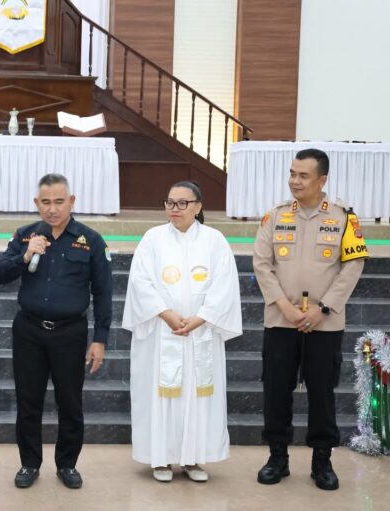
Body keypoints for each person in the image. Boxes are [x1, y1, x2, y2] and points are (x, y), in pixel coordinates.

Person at [253, 148, 367, 491]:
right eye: (292, 174)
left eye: (303, 175)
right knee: (276, 391)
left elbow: (353, 265)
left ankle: (322, 461)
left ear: (322, 180)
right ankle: (277, 457)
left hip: (324, 324)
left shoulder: (344, 218)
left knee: (322, 393)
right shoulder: (275, 216)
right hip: (281, 321)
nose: (295, 181)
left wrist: (324, 308)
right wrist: (284, 306)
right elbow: (262, 264)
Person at [0, 173, 112, 490]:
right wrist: (25, 256)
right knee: (28, 402)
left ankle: (67, 464)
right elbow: (0, 274)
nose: (52, 209)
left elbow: (103, 293)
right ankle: (29, 464)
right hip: (29, 331)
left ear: (71, 201)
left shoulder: (90, 240)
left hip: (70, 333)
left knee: (70, 403)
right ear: (37, 203)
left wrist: (100, 339)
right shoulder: (24, 236)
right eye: (45, 202)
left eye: (59, 201)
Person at [121, 181, 242, 483]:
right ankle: (160, 458)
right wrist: (166, 314)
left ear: (198, 206)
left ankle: (193, 458)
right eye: (170, 202)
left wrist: (201, 318)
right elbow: (140, 282)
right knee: (160, 396)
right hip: (161, 332)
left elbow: (224, 285)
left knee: (196, 396)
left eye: (182, 203)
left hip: (201, 334)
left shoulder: (214, 241)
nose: (174, 209)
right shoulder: (153, 239)